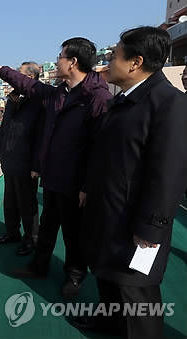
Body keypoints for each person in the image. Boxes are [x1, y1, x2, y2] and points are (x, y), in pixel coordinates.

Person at [72, 27, 187, 338]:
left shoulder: (169, 103)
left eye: (113, 56)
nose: (108, 62)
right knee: (108, 280)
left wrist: (151, 227)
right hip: (107, 214)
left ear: (135, 63)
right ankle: (108, 322)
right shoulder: (121, 100)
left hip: (136, 226)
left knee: (136, 295)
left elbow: (169, 173)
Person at [0, 37, 112, 300]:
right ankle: (39, 265)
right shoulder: (58, 93)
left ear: (73, 62)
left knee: (74, 233)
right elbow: (29, 84)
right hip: (53, 176)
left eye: (61, 56)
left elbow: (101, 149)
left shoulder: (97, 98)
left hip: (76, 182)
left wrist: (88, 186)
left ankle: (75, 275)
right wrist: (1, 70)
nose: (57, 61)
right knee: (48, 226)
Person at [0, 62, 45, 256]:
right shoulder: (13, 97)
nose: (15, 76)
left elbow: (42, 135)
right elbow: (5, 126)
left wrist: (37, 165)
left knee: (27, 203)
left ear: (29, 78)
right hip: (9, 158)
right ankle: (12, 232)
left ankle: (31, 239)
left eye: (19, 73)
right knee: (10, 200)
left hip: (27, 161)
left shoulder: (40, 100)